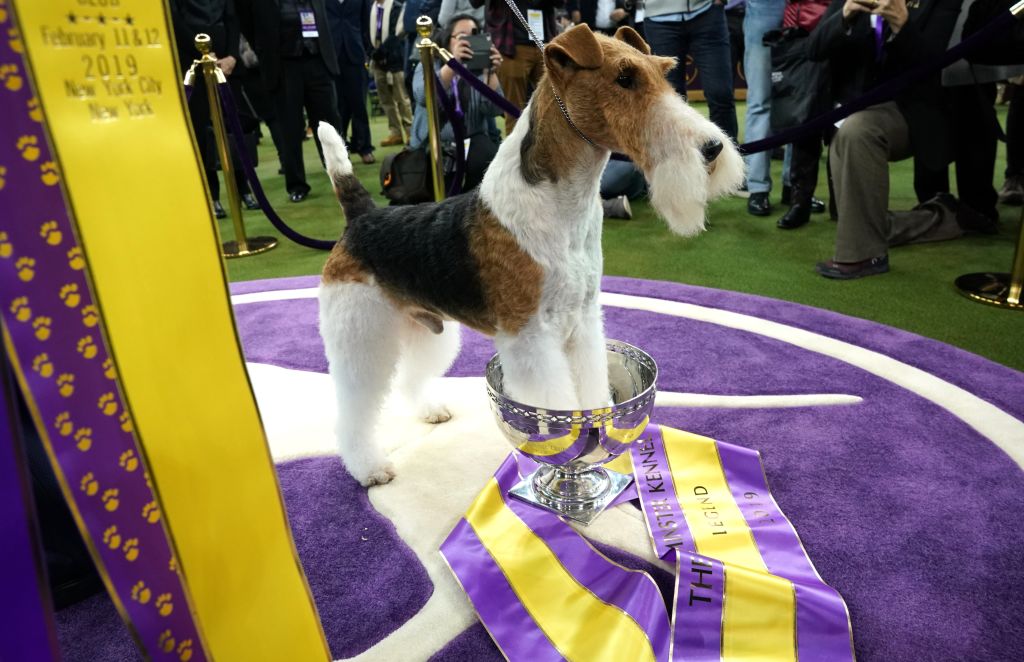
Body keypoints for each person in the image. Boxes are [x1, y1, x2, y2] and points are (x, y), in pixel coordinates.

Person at [806, 0, 961, 279]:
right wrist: (845, 15)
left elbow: (934, 63)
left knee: (857, 132)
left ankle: (864, 255)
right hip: (854, 110)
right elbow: (813, 49)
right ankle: (941, 218)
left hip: (912, 111)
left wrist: (902, 24)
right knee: (852, 217)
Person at [238, 0, 348, 203]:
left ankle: (342, 178)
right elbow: (247, 23)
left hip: (318, 60)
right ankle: (296, 185)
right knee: (289, 129)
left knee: (330, 123)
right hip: (283, 66)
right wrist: (266, 50)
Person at [170, 0, 259, 218]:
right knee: (202, 133)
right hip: (192, 67)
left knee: (234, 128)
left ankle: (244, 189)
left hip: (226, 66)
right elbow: (176, 22)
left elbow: (231, 18)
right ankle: (212, 196)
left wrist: (232, 56)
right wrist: (202, 55)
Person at [411, 14, 505, 189]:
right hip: (435, 144)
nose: (468, 41)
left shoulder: (480, 69)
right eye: (462, 36)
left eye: (473, 35)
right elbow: (423, 97)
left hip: (473, 142)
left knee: (485, 156)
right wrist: (454, 65)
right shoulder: (430, 63)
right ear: (448, 40)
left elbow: (495, 109)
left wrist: (491, 73)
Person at [643, 0, 738, 142]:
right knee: (670, 101)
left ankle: (728, 158)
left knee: (720, 93)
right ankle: (679, 160)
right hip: (658, 19)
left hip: (707, 12)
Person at [470, 0, 566, 135]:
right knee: (513, 114)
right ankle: (514, 155)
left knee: (555, 111)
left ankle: (552, 154)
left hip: (544, 43)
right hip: (510, 46)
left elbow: (560, 3)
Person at [741, 0, 786, 217]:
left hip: (807, 8)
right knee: (760, 100)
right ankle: (757, 188)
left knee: (801, 101)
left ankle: (795, 186)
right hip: (764, 8)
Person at [327, 0, 376, 164]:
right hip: (331, 55)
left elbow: (366, 23)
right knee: (336, 106)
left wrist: (367, 50)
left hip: (355, 53)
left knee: (359, 104)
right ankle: (340, 149)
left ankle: (365, 147)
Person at [368, 0, 415, 146]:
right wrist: (373, 53)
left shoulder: (396, 7)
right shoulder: (372, 8)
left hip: (394, 59)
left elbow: (397, 33)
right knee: (385, 100)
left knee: (401, 98)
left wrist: (382, 52)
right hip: (376, 60)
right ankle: (395, 132)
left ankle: (410, 132)